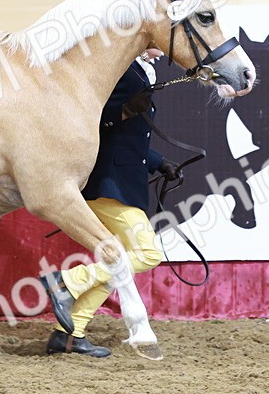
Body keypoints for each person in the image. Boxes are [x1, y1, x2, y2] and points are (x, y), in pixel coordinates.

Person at [41, 48, 178, 357]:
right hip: (108, 183)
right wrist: (123, 113)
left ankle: (69, 334)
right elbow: (87, 119)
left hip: (122, 179)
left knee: (119, 265)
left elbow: (128, 138)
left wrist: (157, 161)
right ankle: (67, 282)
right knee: (148, 253)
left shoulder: (138, 70)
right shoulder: (118, 66)